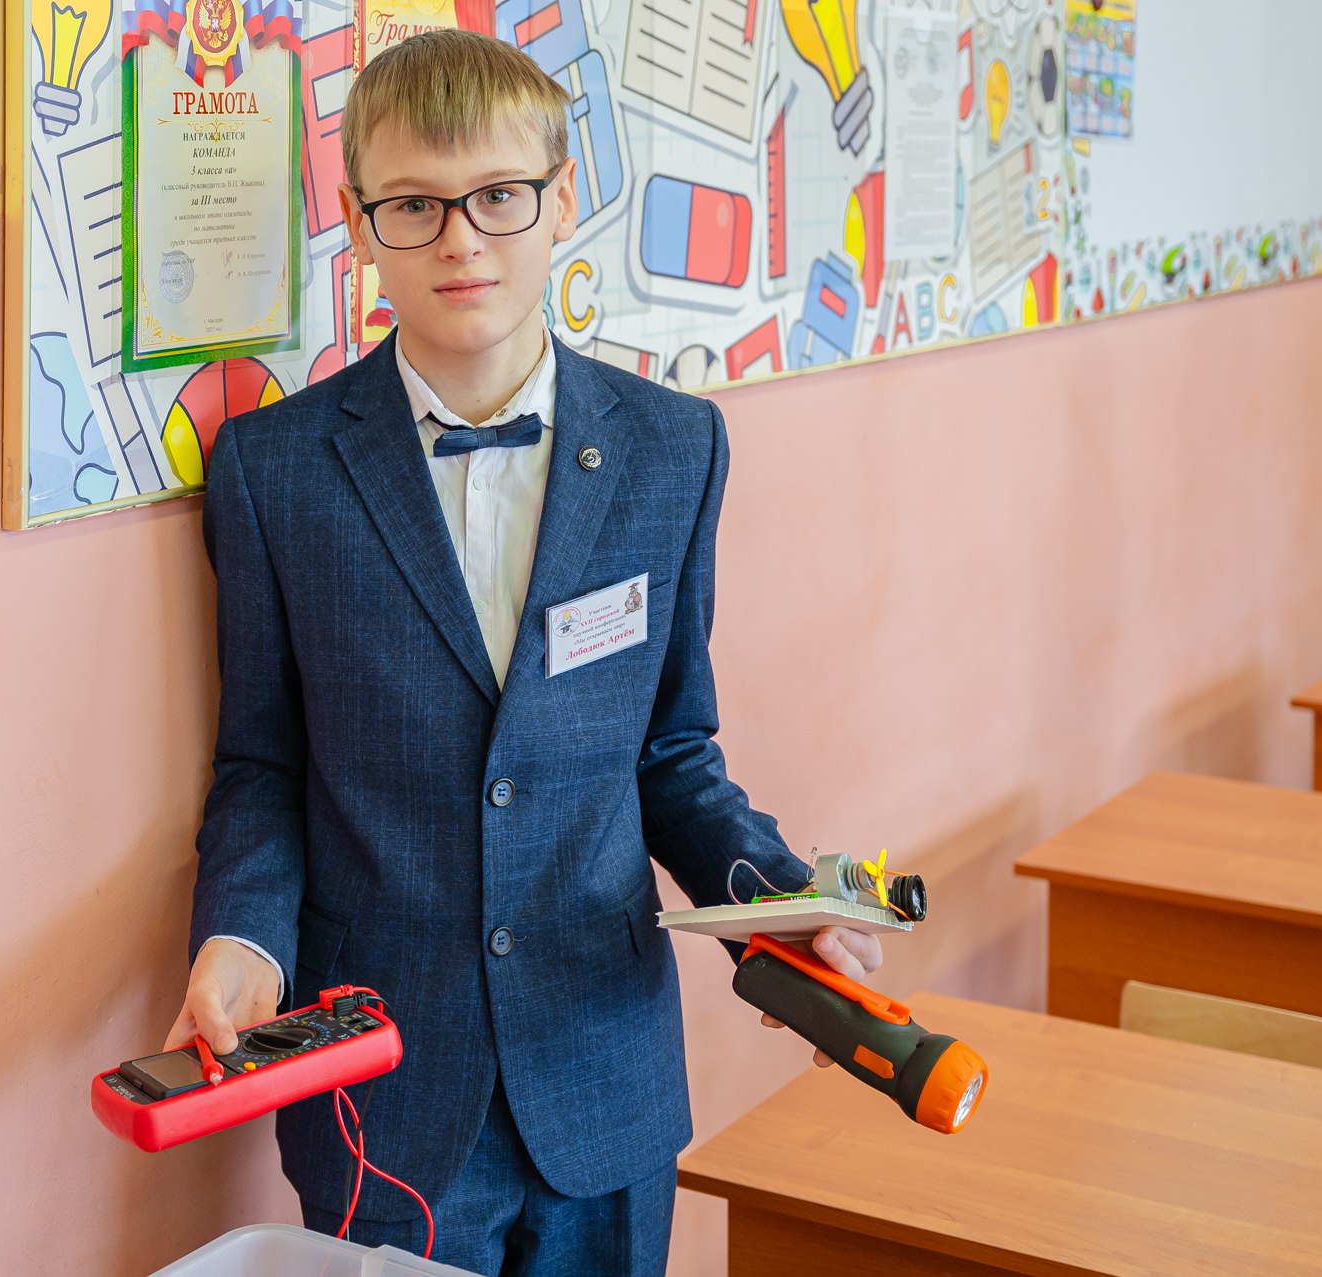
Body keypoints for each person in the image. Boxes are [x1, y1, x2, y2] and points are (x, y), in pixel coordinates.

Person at [161, 28, 882, 1277]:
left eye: (499, 195)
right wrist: (243, 942)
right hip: (379, 1093)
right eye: (414, 205)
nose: (462, 241)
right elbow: (264, 769)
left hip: (603, 1070)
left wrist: (778, 906)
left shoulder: (674, 448)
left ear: (561, 199)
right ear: (358, 220)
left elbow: (672, 751)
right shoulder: (274, 472)